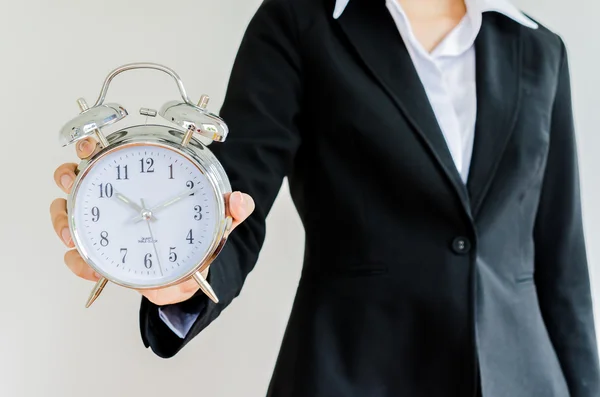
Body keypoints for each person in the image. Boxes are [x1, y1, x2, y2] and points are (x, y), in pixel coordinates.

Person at [50, 0, 600, 395]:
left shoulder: (538, 46)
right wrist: (184, 275)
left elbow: (560, 260)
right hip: (354, 368)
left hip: (523, 375)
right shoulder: (299, 22)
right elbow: (237, 192)